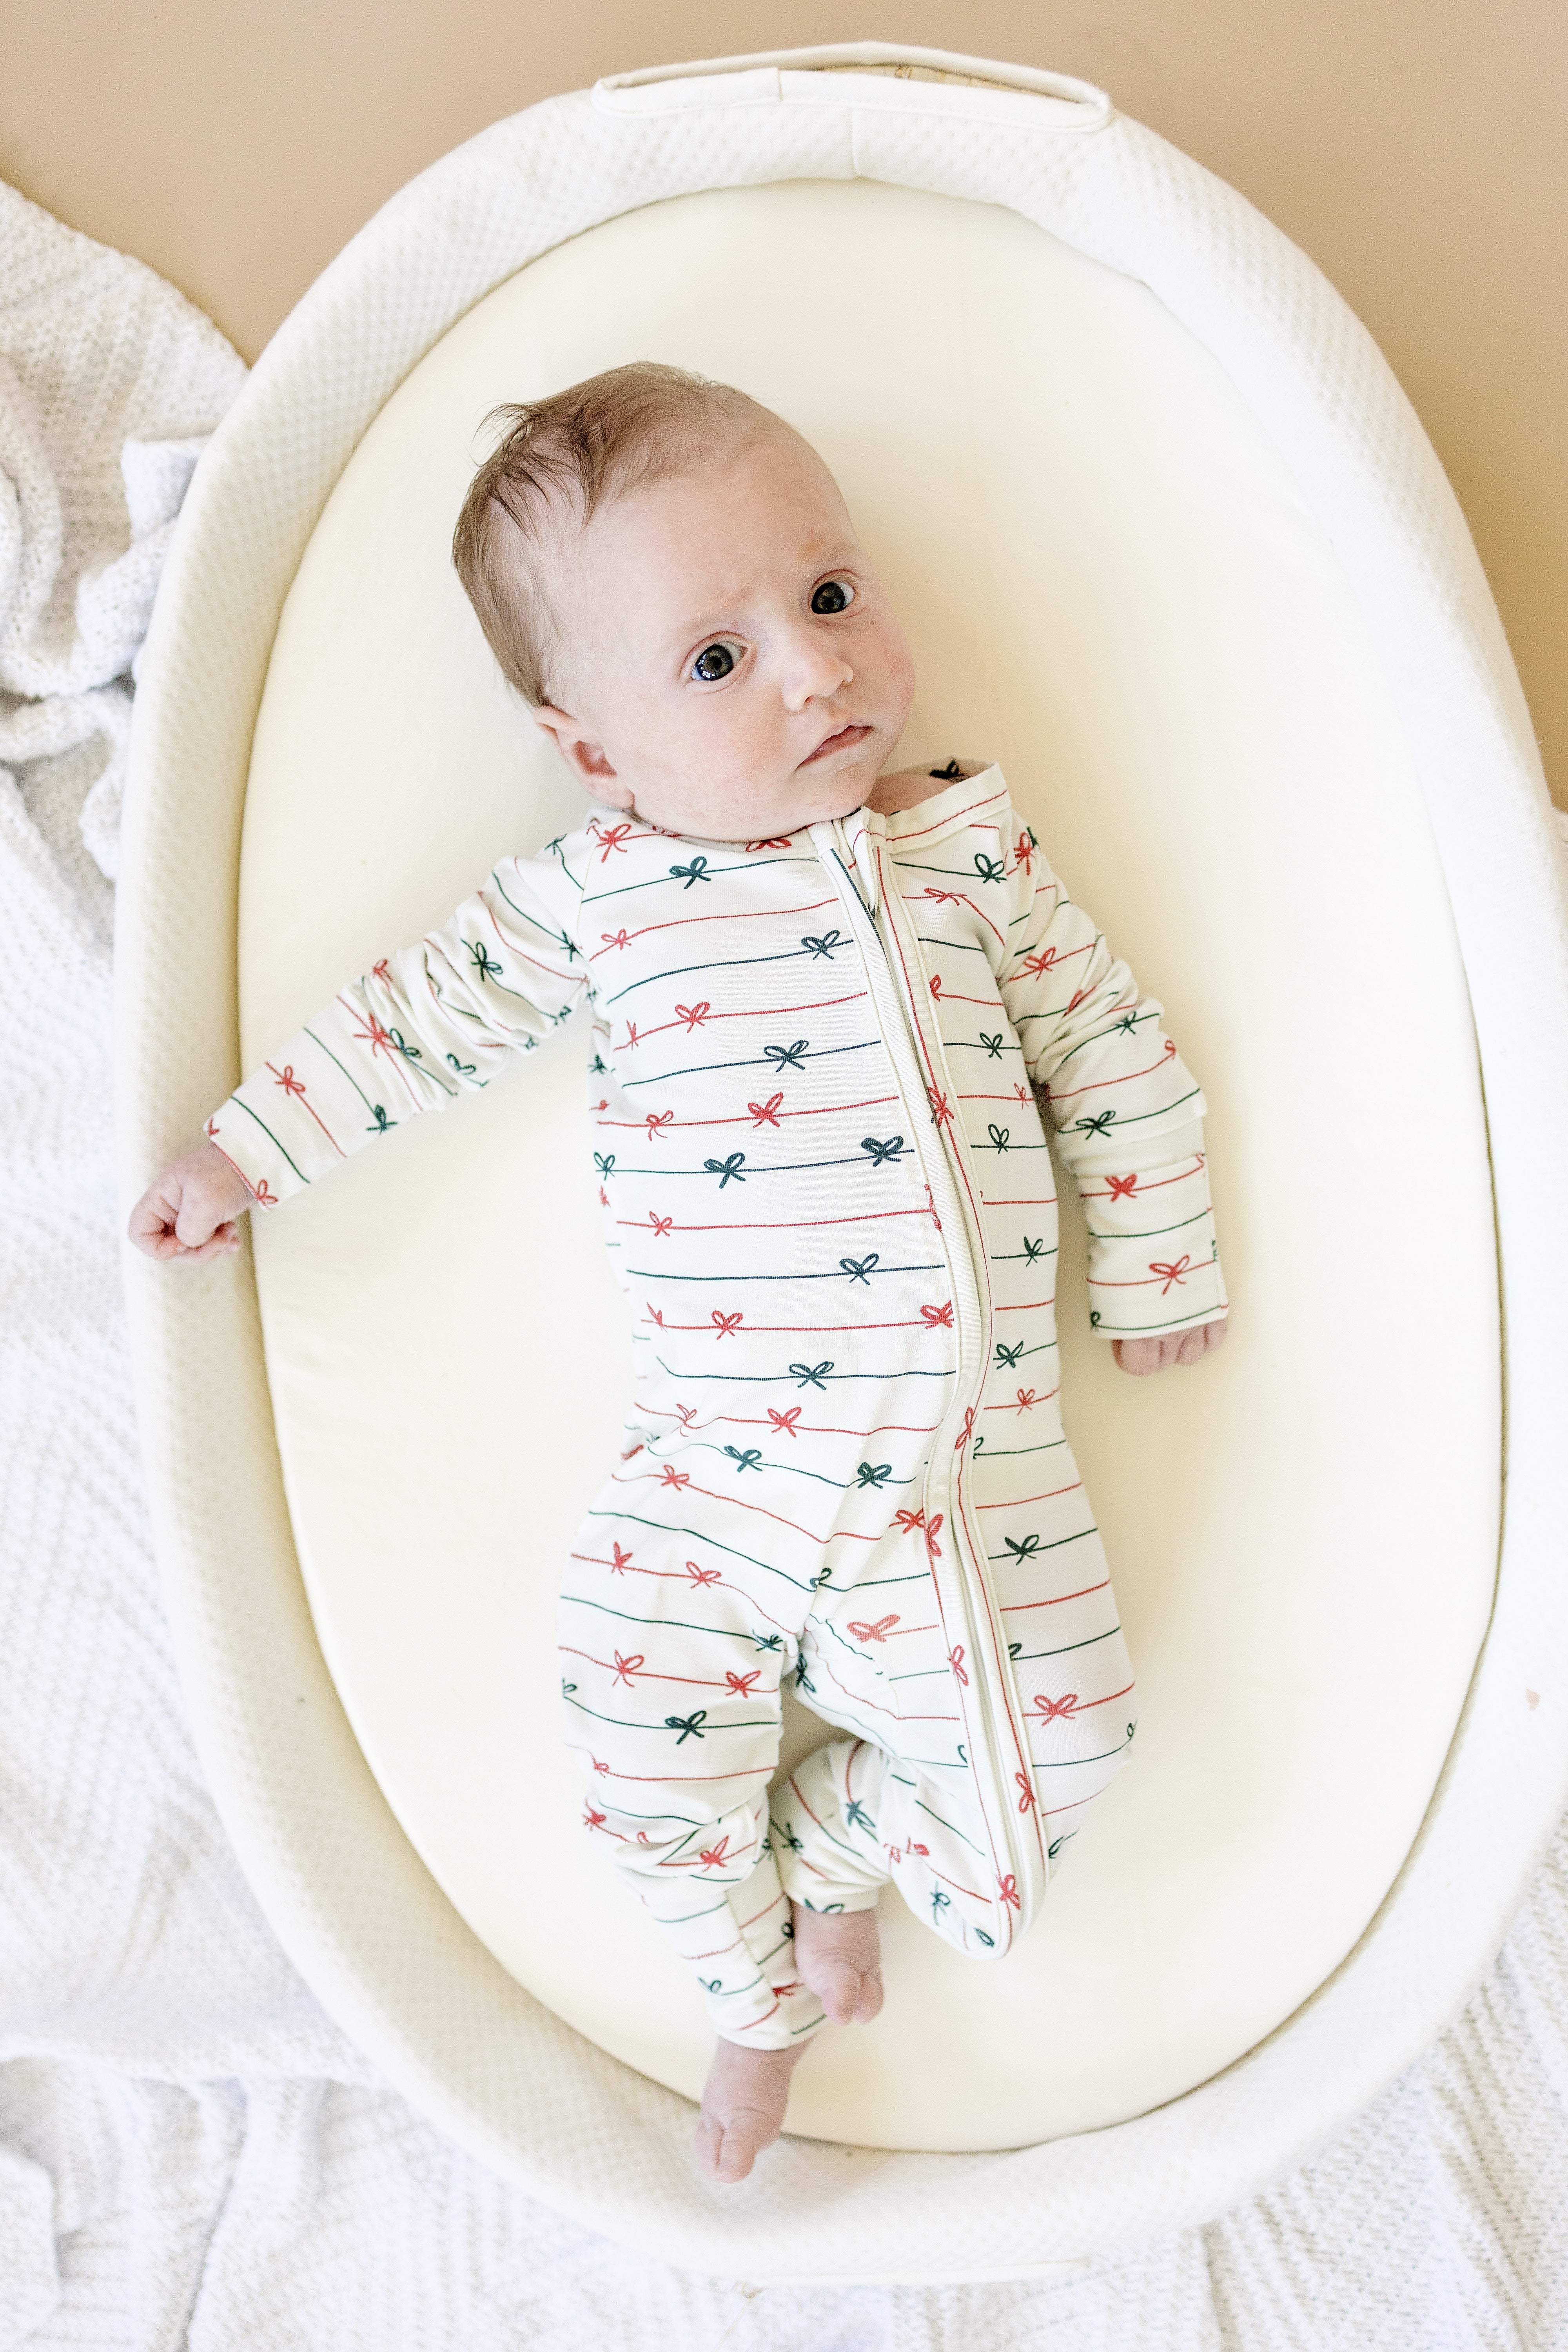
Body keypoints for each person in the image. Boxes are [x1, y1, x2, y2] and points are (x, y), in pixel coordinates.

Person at [129, 363, 1228, 2183]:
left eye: (830, 593)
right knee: (635, 1739)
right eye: (715, 659)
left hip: (968, 1472)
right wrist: (247, 1150)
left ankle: (836, 1846)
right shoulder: (603, 896)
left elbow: (1111, 1046)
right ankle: (750, 1992)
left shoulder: (962, 851)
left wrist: (1156, 1250)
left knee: (1067, 1756)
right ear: (591, 751)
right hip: (715, 1479)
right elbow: (416, 1022)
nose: (814, 669)